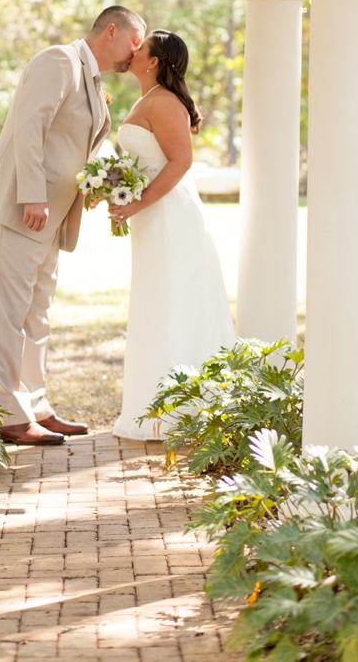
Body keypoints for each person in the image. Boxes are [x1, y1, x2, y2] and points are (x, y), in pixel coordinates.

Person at [0, 6, 146, 445]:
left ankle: (37, 406)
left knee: (36, 313)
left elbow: (71, 144)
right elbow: (31, 127)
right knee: (7, 313)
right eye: (134, 42)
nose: (136, 53)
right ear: (112, 32)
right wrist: (33, 193)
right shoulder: (58, 61)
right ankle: (9, 415)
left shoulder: (91, 78)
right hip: (19, 207)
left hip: (50, 218)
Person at [110, 29, 236, 441]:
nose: (133, 50)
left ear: (154, 62)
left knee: (172, 303)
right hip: (152, 217)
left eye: (141, 47)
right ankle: (160, 403)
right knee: (157, 302)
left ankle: (180, 410)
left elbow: (181, 162)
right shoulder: (148, 100)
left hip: (169, 216)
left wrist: (136, 202)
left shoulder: (163, 102)